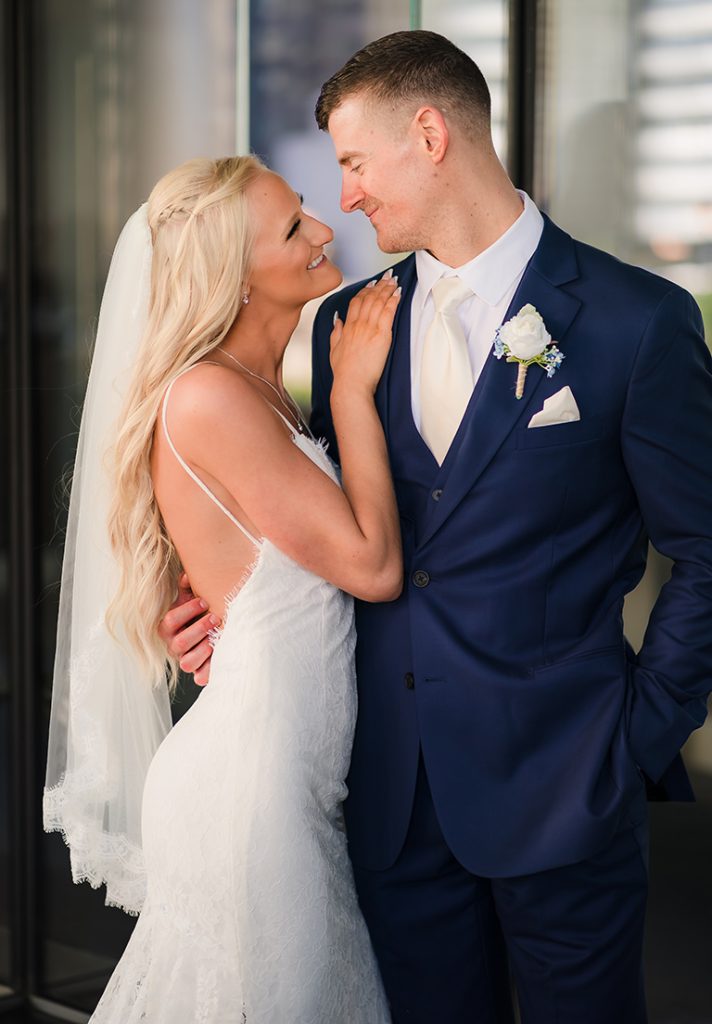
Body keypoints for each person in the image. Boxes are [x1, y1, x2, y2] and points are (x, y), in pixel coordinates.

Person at [164, 31, 712, 1024]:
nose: (348, 196)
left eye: (353, 162)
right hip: (388, 796)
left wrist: (636, 733)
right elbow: (332, 529)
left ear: (428, 134)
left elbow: (706, 548)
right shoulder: (345, 326)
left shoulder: (638, 322)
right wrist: (220, 604)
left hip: (567, 785)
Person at [43, 154, 403, 1022]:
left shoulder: (259, 387)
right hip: (253, 795)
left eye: (305, 210)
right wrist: (353, 392)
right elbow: (373, 566)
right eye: (292, 229)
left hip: (288, 782)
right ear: (233, 280)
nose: (323, 230)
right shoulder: (209, 396)